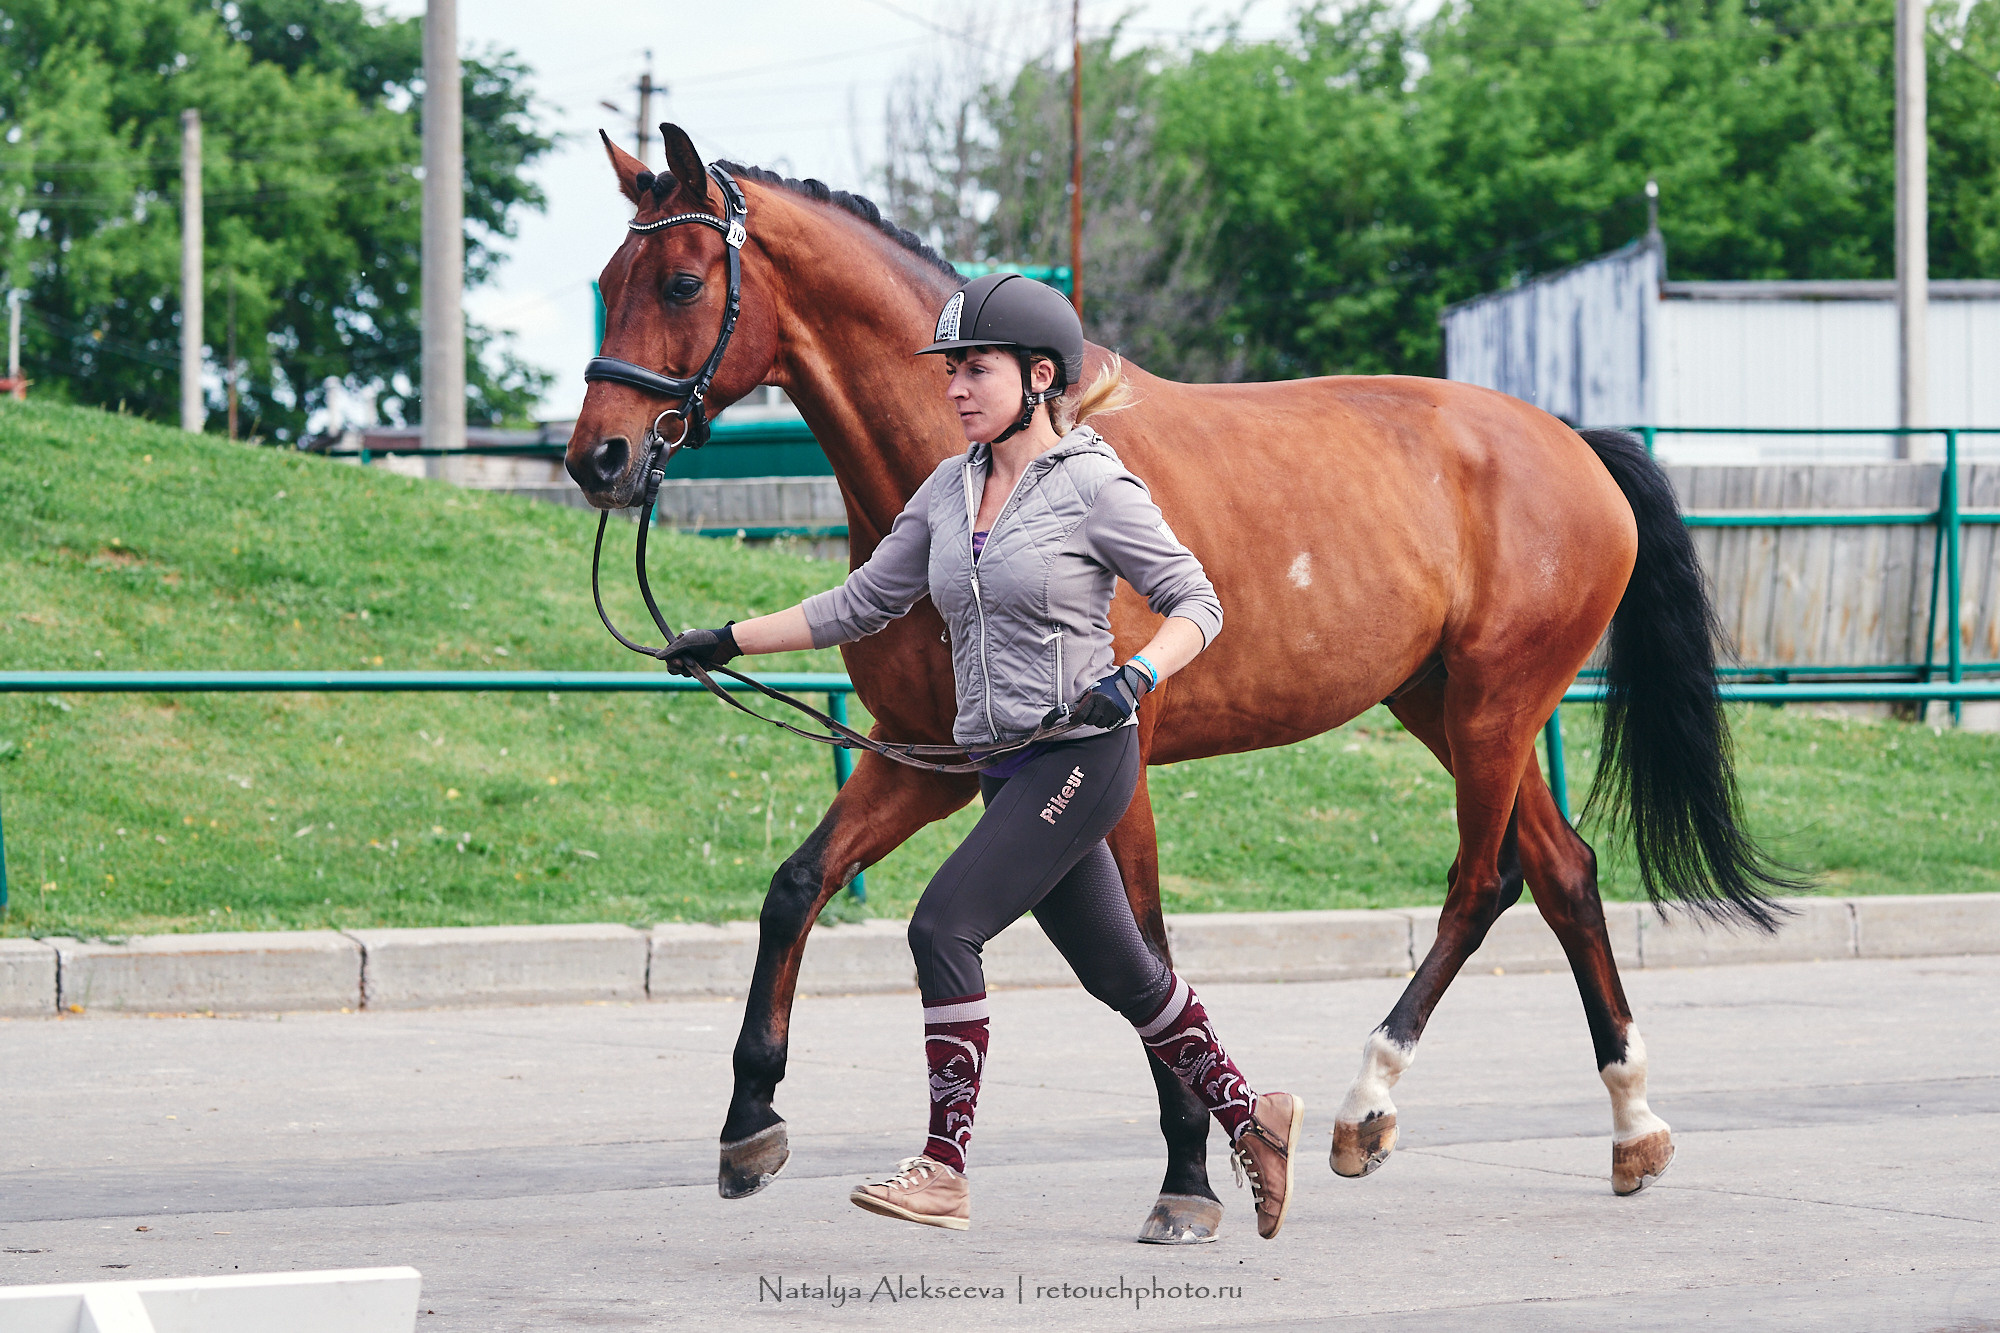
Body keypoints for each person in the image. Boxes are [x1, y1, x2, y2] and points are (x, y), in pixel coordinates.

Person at [660, 274, 1303, 1239]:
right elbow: (862, 601)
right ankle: (1254, 1113)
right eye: (951, 369)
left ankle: (944, 1168)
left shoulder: (1096, 486)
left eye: (977, 369)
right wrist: (728, 639)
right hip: (1005, 765)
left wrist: (1135, 677)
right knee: (1127, 979)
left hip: (1081, 755)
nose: (956, 387)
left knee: (943, 927)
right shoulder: (949, 487)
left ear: (1039, 377)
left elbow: (1197, 602)